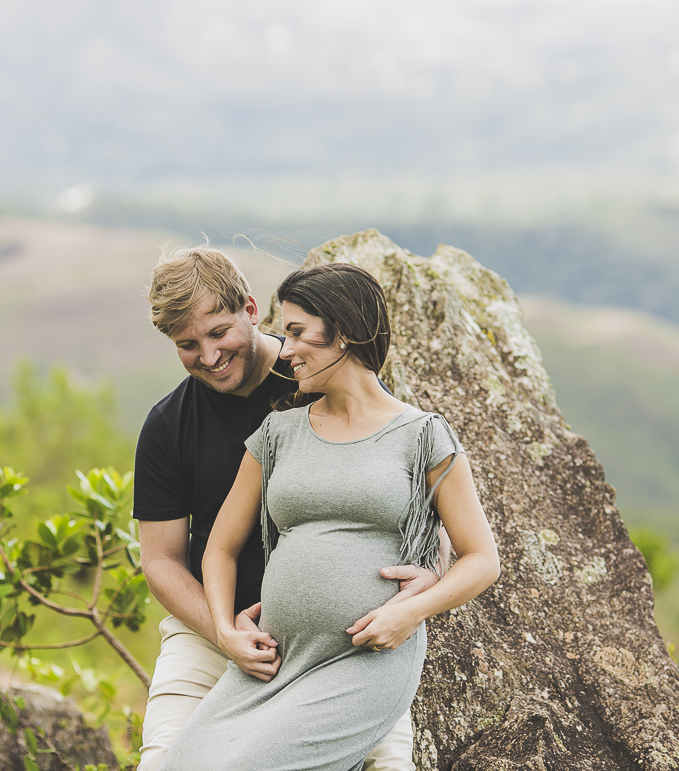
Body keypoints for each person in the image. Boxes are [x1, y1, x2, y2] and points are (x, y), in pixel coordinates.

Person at [157, 262, 500, 771]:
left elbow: (482, 558)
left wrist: (411, 610)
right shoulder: (277, 433)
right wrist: (226, 629)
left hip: (361, 662)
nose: (286, 348)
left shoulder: (423, 435)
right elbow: (219, 549)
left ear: (342, 333)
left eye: (296, 333)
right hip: (273, 661)